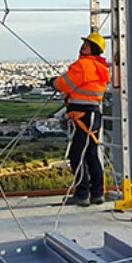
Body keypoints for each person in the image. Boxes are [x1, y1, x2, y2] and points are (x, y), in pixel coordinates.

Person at [47, 31, 110, 206]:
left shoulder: (82, 66)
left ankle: (82, 194)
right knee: (91, 154)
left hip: (81, 116)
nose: (83, 46)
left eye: (87, 44)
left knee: (77, 155)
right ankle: (97, 192)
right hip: (93, 115)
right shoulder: (101, 67)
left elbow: (64, 84)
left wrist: (52, 82)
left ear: (94, 48)